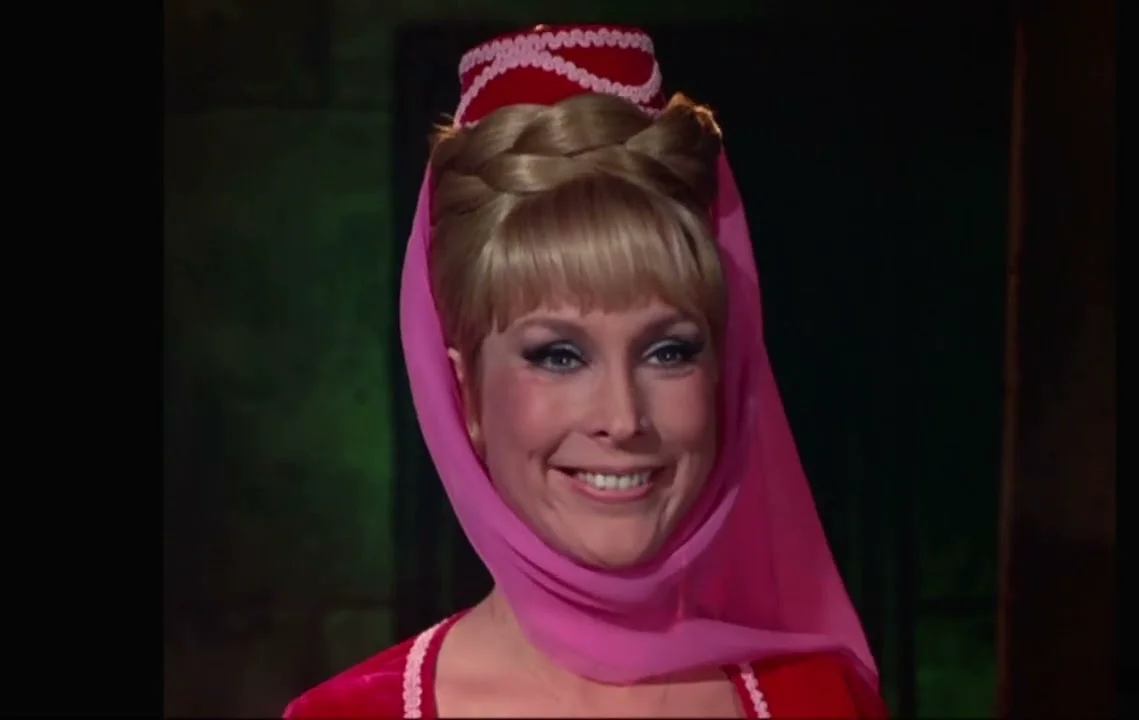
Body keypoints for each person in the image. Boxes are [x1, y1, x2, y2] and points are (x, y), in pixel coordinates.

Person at [284, 24, 887, 718]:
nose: (623, 419)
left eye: (668, 352)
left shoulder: (821, 700)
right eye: (559, 356)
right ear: (466, 394)